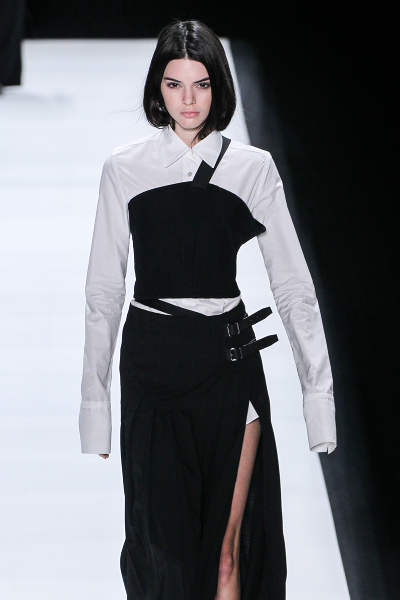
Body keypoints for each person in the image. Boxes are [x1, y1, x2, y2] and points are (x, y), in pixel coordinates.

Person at [79, 19, 336, 600]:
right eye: (174, 84)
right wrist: (95, 404)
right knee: (164, 561)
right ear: (158, 88)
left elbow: (294, 287)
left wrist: (318, 398)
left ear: (219, 88)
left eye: (201, 84)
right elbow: (103, 291)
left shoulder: (253, 168)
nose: (189, 100)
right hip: (153, 368)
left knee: (227, 556)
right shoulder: (125, 169)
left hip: (229, 365)